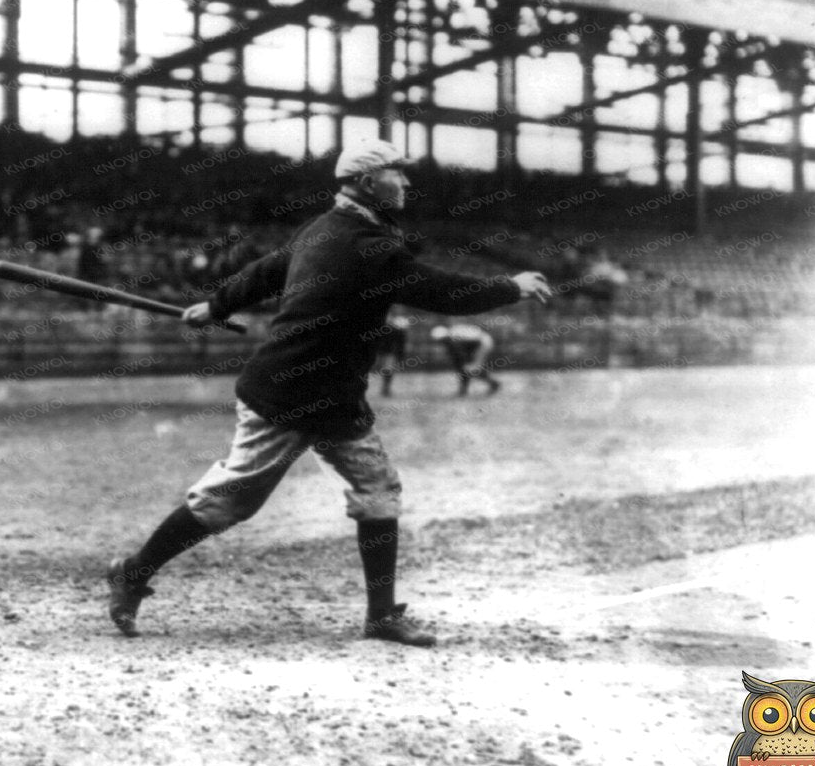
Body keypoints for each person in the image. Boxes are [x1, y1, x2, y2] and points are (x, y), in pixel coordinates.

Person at [106, 140, 551, 646]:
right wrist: (510, 286)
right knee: (226, 505)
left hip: (333, 394)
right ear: (366, 183)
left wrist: (216, 305)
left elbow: (268, 270)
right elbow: (443, 292)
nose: (406, 183)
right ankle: (133, 572)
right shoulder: (367, 244)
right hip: (289, 392)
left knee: (378, 491)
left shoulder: (328, 228)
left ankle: (381, 616)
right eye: (395, 174)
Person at [430, 322, 501, 396]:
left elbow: (460, 355)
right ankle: (464, 390)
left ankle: (494, 384)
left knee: (471, 368)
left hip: (483, 343)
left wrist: (466, 364)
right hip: (477, 343)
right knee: (466, 368)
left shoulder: (453, 340)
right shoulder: (452, 336)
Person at [376, 314, 411, 397]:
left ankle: (385, 389)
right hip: (387, 353)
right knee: (387, 371)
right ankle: (385, 389)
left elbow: (400, 346)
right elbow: (400, 346)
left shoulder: (392, 330)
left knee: (387, 370)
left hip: (386, 353)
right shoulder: (398, 332)